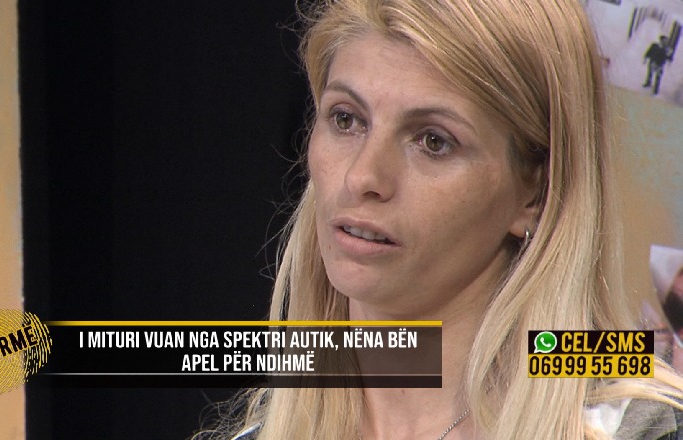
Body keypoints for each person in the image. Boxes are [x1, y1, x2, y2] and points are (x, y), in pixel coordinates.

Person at [197, 1, 683, 439]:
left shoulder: (640, 428)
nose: (362, 176)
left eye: (434, 141)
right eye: (346, 119)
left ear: (537, 191)